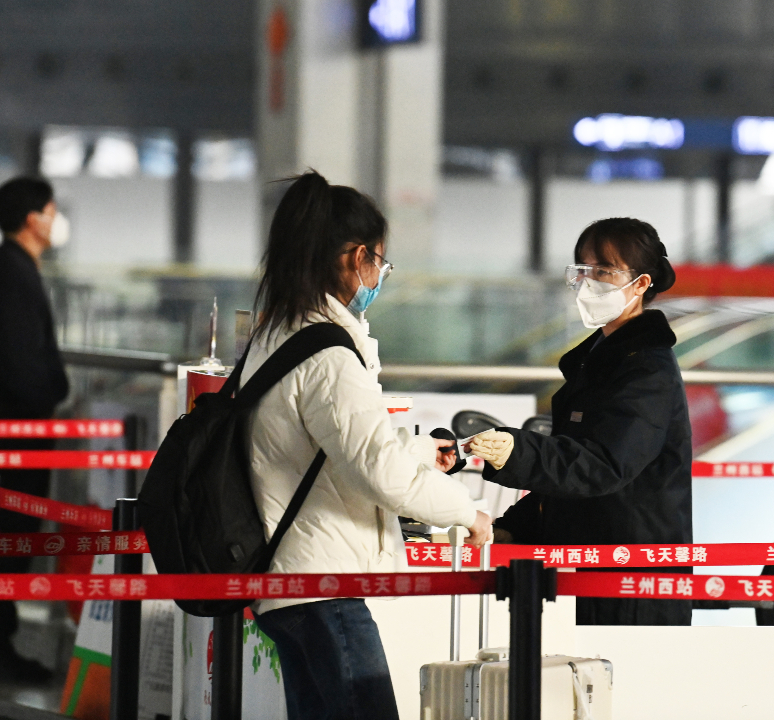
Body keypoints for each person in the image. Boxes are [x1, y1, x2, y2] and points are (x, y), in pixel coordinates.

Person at [245, 171, 491, 720]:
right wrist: (465, 513)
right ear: (355, 257)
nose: (380, 274)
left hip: (286, 578)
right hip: (321, 585)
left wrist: (426, 453)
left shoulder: (276, 334)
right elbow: (379, 472)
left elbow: (339, 447)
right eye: (380, 261)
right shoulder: (328, 354)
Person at [468, 217, 693, 626]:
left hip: (629, 575)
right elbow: (567, 480)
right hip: (590, 558)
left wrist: (519, 450)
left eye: (604, 271)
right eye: (582, 270)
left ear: (641, 284)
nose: (589, 282)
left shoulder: (646, 371)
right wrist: (513, 529)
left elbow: (603, 464)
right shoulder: (603, 358)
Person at [0, 176, 70, 681]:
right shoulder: (10, 271)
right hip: (15, 429)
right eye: (51, 210)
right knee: (8, 536)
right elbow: (19, 362)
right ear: (33, 218)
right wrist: (50, 393)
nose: (55, 220)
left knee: (3, 536)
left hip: (2, 425)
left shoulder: (0, 266)